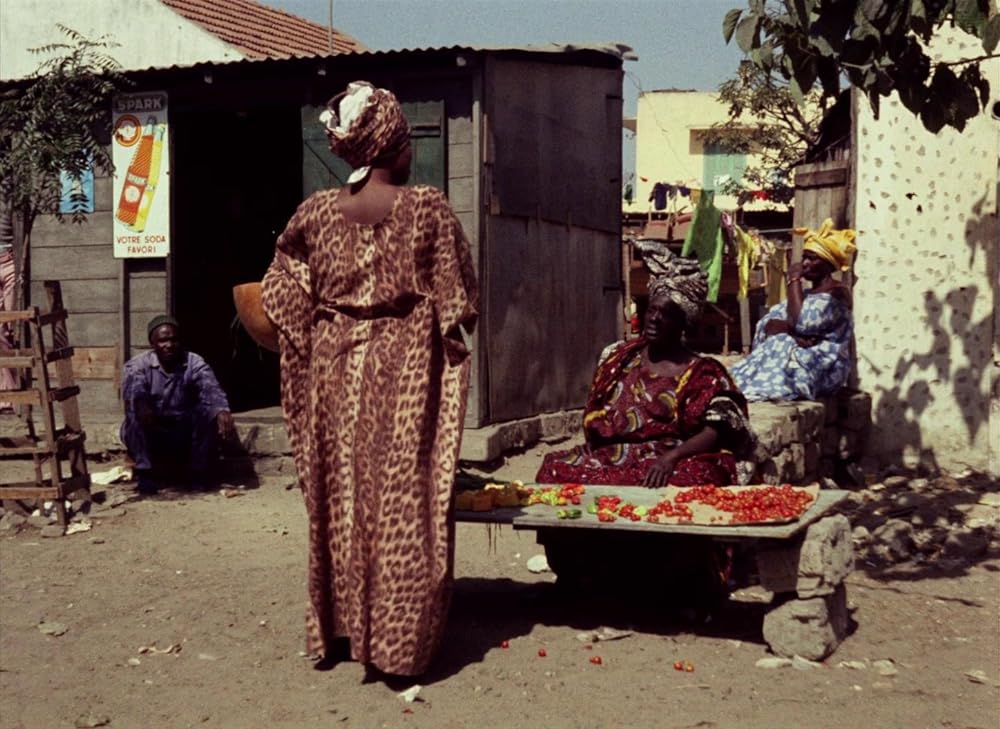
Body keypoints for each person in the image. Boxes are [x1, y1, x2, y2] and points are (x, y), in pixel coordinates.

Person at [261, 81, 479, 678]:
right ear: (391, 146)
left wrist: (317, 333)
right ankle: (398, 644)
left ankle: (339, 632)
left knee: (340, 494)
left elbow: (281, 287)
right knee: (405, 495)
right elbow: (460, 295)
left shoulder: (314, 212)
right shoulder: (427, 207)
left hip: (333, 371)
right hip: (405, 370)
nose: (411, 153)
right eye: (407, 143)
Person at [536, 252, 753, 488]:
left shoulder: (703, 372)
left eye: (666, 314)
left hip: (672, 457)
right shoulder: (620, 358)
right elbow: (598, 412)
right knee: (554, 468)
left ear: (683, 323)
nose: (654, 319)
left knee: (699, 475)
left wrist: (671, 458)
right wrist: (595, 443)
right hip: (618, 454)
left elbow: (716, 430)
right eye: (652, 310)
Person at [731, 218, 857, 401]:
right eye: (804, 257)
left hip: (824, 367)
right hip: (801, 357)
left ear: (828, 263)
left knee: (783, 351)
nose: (804, 263)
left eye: (812, 259)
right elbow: (769, 324)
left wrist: (793, 280)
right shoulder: (805, 295)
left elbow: (801, 323)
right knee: (779, 344)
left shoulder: (837, 293)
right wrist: (794, 333)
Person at [120, 315, 236, 493]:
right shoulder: (138, 365)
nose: (169, 345)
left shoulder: (193, 362)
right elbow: (135, 391)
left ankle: (198, 474)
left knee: (205, 411)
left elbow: (210, 387)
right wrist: (142, 405)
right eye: (163, 341)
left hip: (182, 430)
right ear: (152, 343)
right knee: (135, 413)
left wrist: (221, 410)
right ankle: (145, 473)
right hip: (152, 429)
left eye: (174, 340)